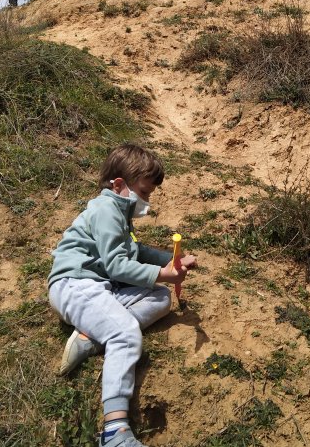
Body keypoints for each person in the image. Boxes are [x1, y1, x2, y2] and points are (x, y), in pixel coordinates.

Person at [47, 143, 196, 447]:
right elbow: (116, 265)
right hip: (75, 285)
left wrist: (170, 259)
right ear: (119, 185)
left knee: (160, 298)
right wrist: (163, 274)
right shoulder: (106, 209)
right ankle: (114, 431)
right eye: (144, 192)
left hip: (100, 287)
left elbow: (135, 251)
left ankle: (91, 335)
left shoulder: (119, 212)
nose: (147, 201)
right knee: (126, 334)